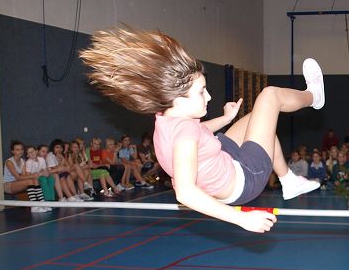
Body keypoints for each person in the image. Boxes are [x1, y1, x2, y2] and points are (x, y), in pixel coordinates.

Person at [81, 26, 326, 232]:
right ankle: (314, 95)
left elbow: (199, 134)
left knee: (258, 118)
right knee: (270, 96)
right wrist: (242, 219)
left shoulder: (166, 118)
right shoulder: (185, 132)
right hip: (245, 178)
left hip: (225, 159)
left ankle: (289, 180)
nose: (208, 96)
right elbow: (185, 193)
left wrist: (226, 118)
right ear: (178, 99)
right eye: (201, 92)